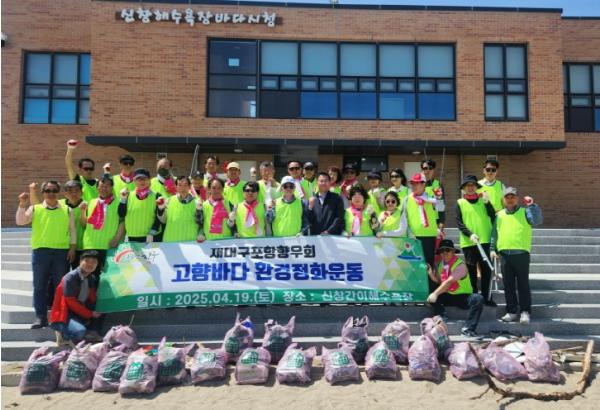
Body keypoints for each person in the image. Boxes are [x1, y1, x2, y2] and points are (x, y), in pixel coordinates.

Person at [16, 181, 76, 329]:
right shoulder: (35, 209)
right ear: (43, 193)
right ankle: (40, 316)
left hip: (61, 253)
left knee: (60, 287)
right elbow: (20, 221)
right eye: (48, 190)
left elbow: (72, 230)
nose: (51, 193)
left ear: (58, 192)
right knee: (39, 286)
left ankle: (58, 316)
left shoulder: (67, 209)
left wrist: (72, 248)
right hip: (41, 252)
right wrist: (22, 205)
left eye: (54, 190)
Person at [491, 187, 543, 325]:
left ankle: (525, 312)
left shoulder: (526, 211)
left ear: (517, 199)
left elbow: (537, 221)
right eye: (507, 197)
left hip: (521, 254)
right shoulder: (499, 215)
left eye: (513, 197)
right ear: (503, 200)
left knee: (523, 284)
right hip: (504, 255)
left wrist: (532, 206)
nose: (510, 199)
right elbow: (494, 233)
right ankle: (512, 311)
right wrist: (492, 248)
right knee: (508, 285)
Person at [426, 239, 484, 338]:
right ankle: (442, 318)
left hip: (463, 297)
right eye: (442, 250)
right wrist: (431, 274)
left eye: (447, 250)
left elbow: (449, 281)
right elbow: (440, 282)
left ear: (453, 251)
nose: (444, 253)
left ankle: (468, 329)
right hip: (448, 295)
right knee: (432, 293)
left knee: (478, 299)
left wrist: (435, 294)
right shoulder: (440, 264)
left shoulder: (460, 265)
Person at [456, 175, 497, 306]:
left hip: (485, 241)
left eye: (473, 185)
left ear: (476, 187)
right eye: (467, 185)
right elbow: (459, 223)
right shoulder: (460, 202)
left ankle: (487, 298)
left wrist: (487, 202)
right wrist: (470, 234)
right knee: (472, 271)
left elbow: (493, 216)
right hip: (469, 243)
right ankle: (474, 298)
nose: (470, 188)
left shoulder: (483, 201)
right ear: (463, 188)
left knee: (486, 271)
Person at [49, 250, 104, 344]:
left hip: (80, 309)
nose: (90, 264)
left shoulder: (91, 278)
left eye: (94, 262)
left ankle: (92, 332)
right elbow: (71, 302)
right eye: (87, 261)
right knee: (79, 332)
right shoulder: (70, 278)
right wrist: (90, 313)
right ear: (80, 261)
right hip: (66, 313)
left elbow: (92, 298)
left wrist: (98, 308)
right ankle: (61, 333)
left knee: (102, 308)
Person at [404, 173, 441, 292]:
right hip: (413, 238)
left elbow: (441, 209)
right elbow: (404, 218)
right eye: (412, 183)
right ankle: (414, 291)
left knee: (428, 264)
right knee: (413, 265)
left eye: (417, 183)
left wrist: (439, 198)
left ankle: (429, 291)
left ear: (424, 184)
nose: (414, 186)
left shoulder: (431, 196)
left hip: (429, 236)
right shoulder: (407, 198)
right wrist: (409, 234)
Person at [81, 176, 123, 276]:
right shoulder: (91, 202)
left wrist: (117, 238)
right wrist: (82, 212)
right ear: (97, 188)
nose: (104, 188)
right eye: (101, 186)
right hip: (90, 245)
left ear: (112, 187)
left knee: (109, 277)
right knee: (90, 277)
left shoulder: (119, 203)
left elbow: (123, 222)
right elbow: (84, 224)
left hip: (109, 245)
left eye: (107, 186)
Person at [118, 168, 162, 243]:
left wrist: (152, 232)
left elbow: (159, 217)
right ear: (134, 181)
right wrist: (123, 199)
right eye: (139, 179)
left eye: (144, 178)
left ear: (149, 180)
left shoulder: (157, 196)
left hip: (151, 237)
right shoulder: (127, 195)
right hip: (132, 237)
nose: (142, 181)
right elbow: (121, 214)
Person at [159, 176, 202, 242]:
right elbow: (163, 220)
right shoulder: (169, 201)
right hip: (170, 242)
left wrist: (199, 211)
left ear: (189, 187)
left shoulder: (197, 202)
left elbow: (200, 222)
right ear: (176, 187)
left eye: (185, 185)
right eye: (179, 185)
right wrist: (161, 209)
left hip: (190, 243)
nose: (182, 188)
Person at [60, 180, 86, 269]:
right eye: (70, 191)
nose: (74, 193)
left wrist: (83, 212)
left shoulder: (88, 205)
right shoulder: (59, 205)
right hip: (62, 247)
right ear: (65, 193)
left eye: (77, 190)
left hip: (81, 247)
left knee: (80, 274)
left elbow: (85, 226)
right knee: (61, 275)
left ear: (82, 192)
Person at [421, 159, 445, 236]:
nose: (427, 170)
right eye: (425, 168)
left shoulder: (437, 185)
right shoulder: (418, 184)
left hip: (434, 221)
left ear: (433, 170)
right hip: (420, 221)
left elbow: (441, 205)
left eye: (430, 168)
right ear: (422, 170)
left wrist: (441, 222)